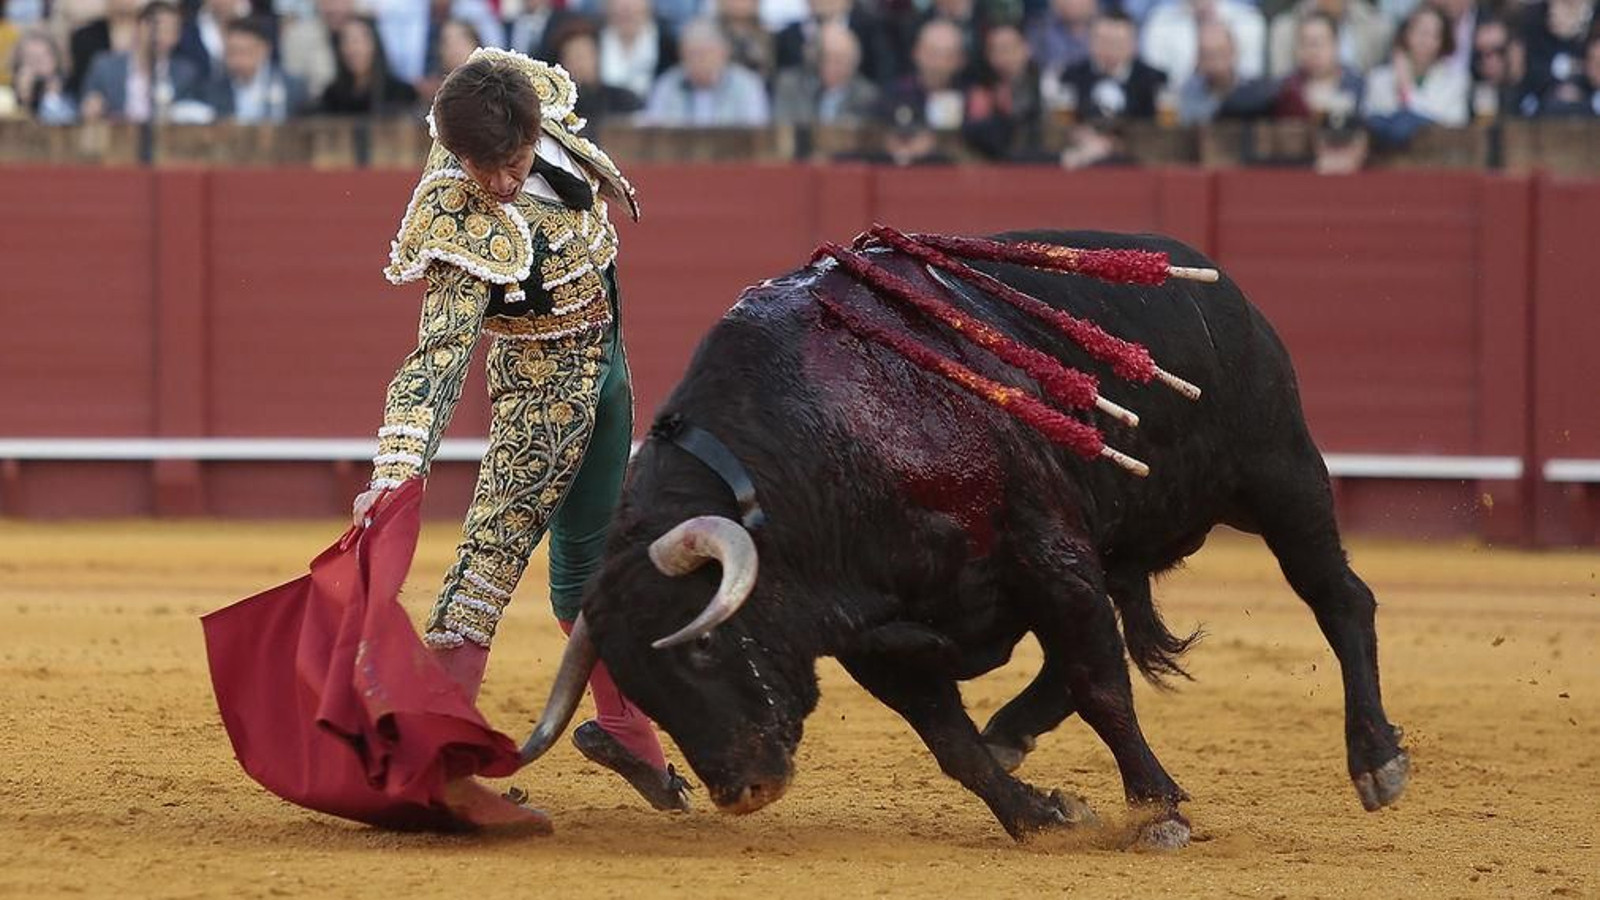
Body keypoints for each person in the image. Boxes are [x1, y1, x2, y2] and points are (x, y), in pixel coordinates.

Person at [358, 46, 690, 811]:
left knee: (592, 569)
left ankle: (625, 733)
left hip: (608, 372)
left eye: (512, 162)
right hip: (538, 395)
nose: (502, 182)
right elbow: (435, 361)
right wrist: (395, 472)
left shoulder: (526, 93)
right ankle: (436, 770)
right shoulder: (456, 214)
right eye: (486, 168)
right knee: (487, 565)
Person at [79, 0, 203, 122]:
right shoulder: (104, 67)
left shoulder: (186, 73)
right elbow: (87, 108)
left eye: (171, 30)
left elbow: (191, 113)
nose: (162, 36)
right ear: (139, 26)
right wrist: (92, 109)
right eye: (157, 28)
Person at [1362, 3, 1468, 143]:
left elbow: (1453, 126)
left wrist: (1406, 88)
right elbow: (1373, 125)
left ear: (1443, 42)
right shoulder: (1379, 78)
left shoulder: (1456, 81)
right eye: (1421, 33)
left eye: (1434, 36)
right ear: (1406, 34)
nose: (1426, 41)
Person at [639, 17, 770, 125]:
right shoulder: (666, 85)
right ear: (681, 55)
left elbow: (757, 134)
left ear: (723, 53)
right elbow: (653, 132)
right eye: (692, 54)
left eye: (705, 53)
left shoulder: (747, 86)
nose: (699, 61)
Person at [202, 16, 309, 121]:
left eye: (244, 51)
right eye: (231, 52)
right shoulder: (212, 89)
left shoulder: (292, 86)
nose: (237, 60)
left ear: (264, 50)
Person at [318, 15, 420, 115]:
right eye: (347, 41)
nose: (353, 49)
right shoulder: (331, 97)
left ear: (375, 44)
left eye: (359, 41)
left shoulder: (402, 94)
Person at [10, 29, 77, 123]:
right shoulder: (9, 93)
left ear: (55, 58)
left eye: (42, 56)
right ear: (20, 61)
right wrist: (24, 97)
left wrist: (52, 97)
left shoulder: (71, 86)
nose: (37, 63)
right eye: (30, 57)